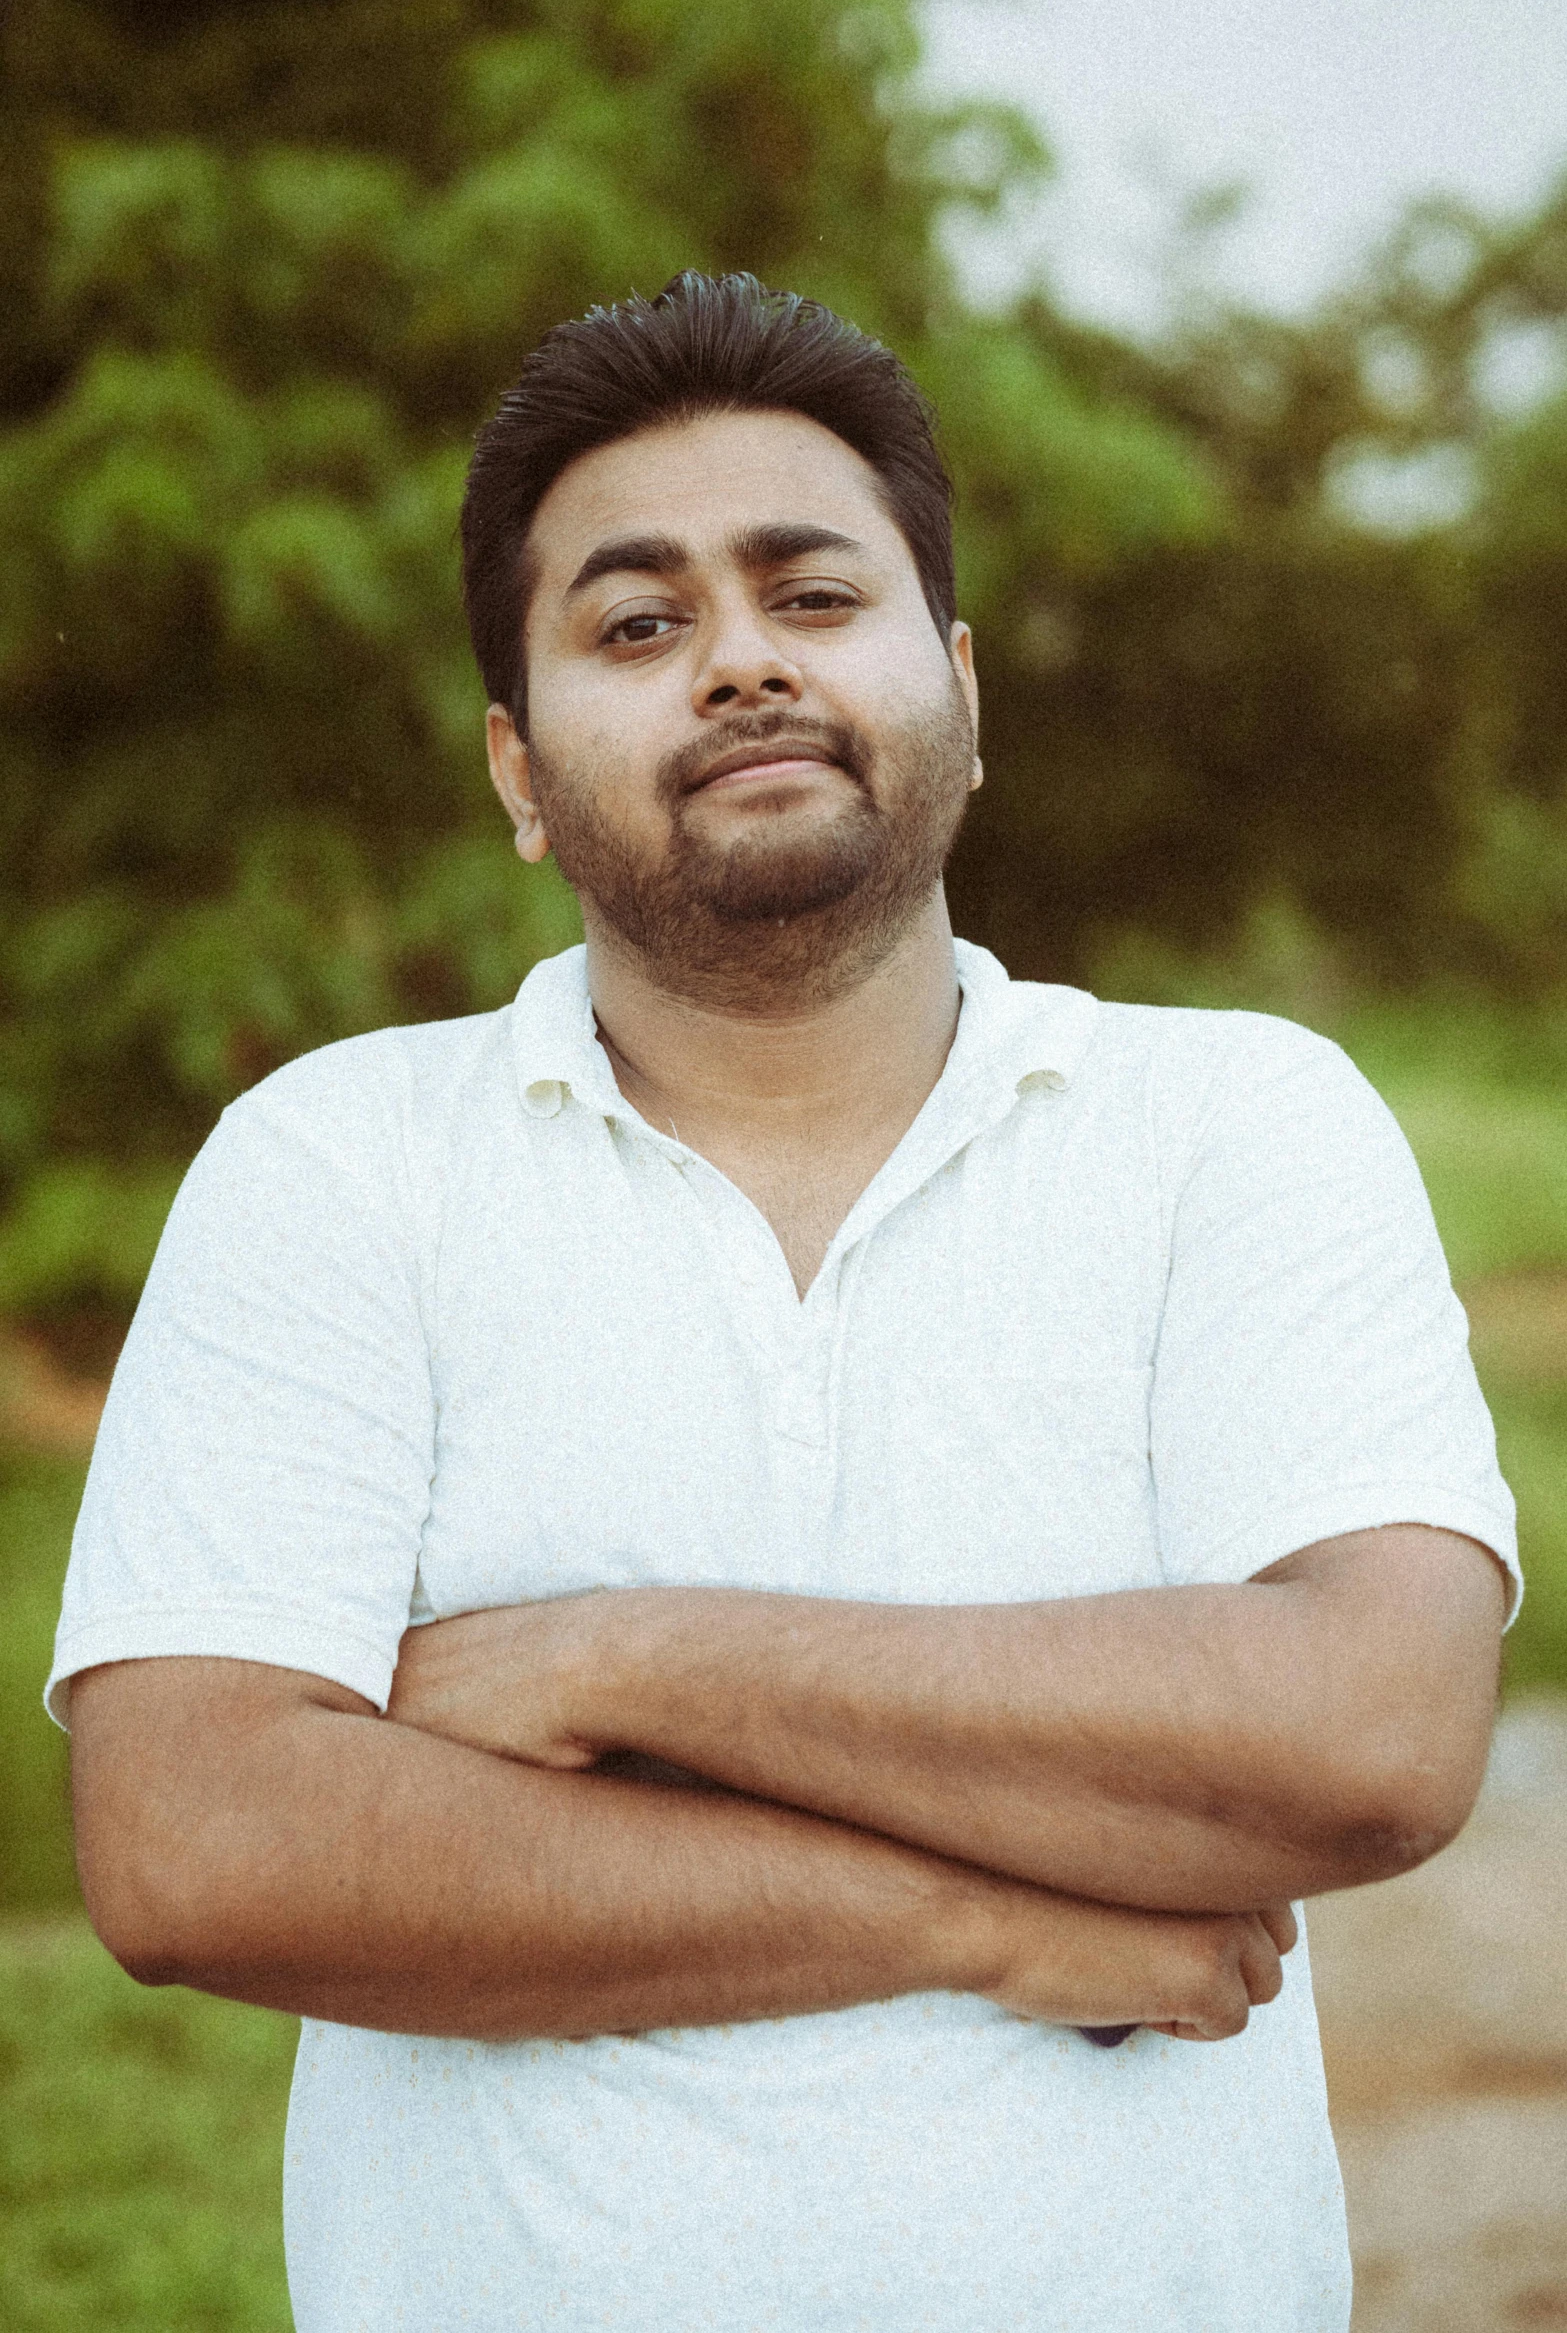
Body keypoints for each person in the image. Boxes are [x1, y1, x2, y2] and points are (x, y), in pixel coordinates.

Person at [54, 271, 1517, 2333]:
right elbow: (200, 1842)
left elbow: (1370, 1729)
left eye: (813, 594)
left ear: (964, 687)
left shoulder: (1234, 1119)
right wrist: (980, 1912)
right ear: (520, 769)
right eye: (636, 624)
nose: (737, 658)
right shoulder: (337, 1161)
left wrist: (609, 1654)